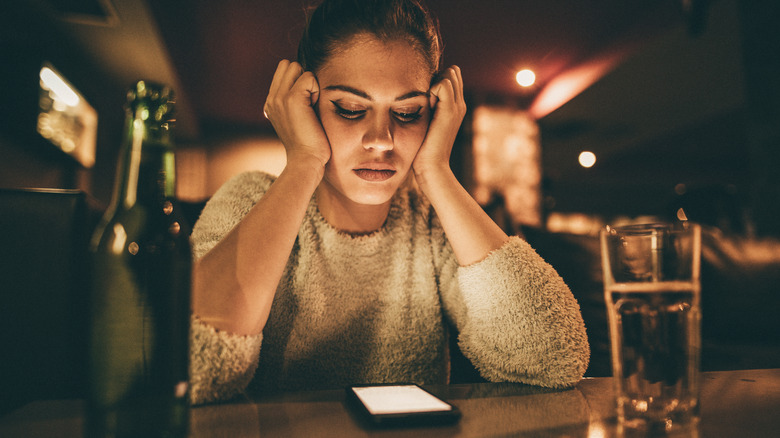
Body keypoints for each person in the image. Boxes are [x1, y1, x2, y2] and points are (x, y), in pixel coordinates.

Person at [188, 0, 589, 404]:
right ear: (304, 106)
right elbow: (194, 370)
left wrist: (436, 172)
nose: (381, 139)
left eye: (408, 112)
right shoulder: (250, 197)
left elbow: (554, 360)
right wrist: (303, 164)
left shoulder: (433, 224)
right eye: (349, 109)